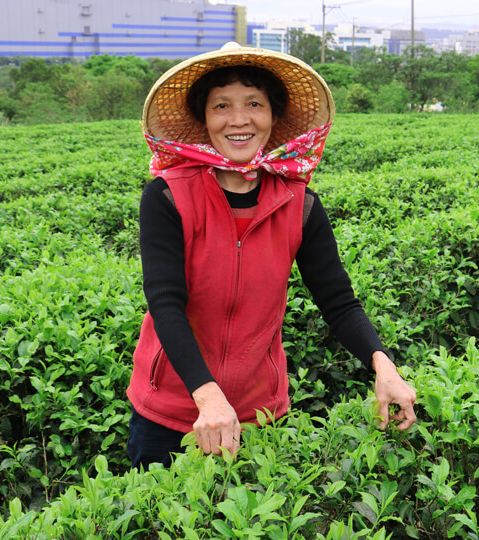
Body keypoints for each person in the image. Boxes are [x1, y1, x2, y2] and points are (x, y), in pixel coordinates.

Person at [126, 42, 417, 468]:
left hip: (258, 414)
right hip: (169, 413)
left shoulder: (299, 204)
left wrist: (382, 364)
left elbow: (338, 301)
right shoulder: (168, 195)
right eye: (221, 105)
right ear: (204, 119)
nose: (238, 119)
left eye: (254, 104)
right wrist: (207, 397)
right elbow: (165, 302)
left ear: (273, 117)